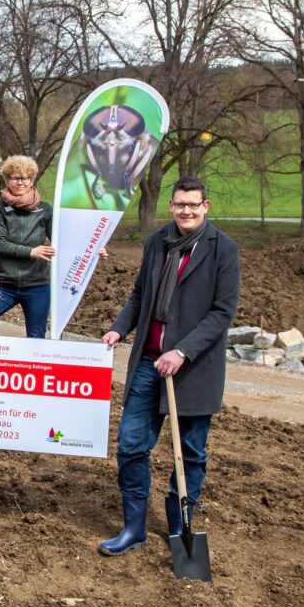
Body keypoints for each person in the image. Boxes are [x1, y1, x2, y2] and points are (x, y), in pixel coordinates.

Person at [97, 177, 239, 555]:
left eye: (193, 204)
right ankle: (134, 527)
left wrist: (182, 351)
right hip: (148, 362)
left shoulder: (223, 250)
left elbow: (222, 312)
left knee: (190, 453)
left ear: (206, 206)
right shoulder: (157, 242)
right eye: (180, 204)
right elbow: (141, 293)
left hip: (193, 370)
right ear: (172, 206)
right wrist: (118, 329)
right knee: (130, 444)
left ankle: (180, 530)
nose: (186, 211)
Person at [0, 155, 54, 338]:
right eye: (15, 178)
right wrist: (31, 252)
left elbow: (62, 241)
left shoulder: (45, 210)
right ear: (7, 180)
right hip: (5, 285)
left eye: (25, 178)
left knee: (36, 338)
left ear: (31, 181)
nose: (20, 182)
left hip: (38, 285)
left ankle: (33, 367)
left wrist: (93, 251)